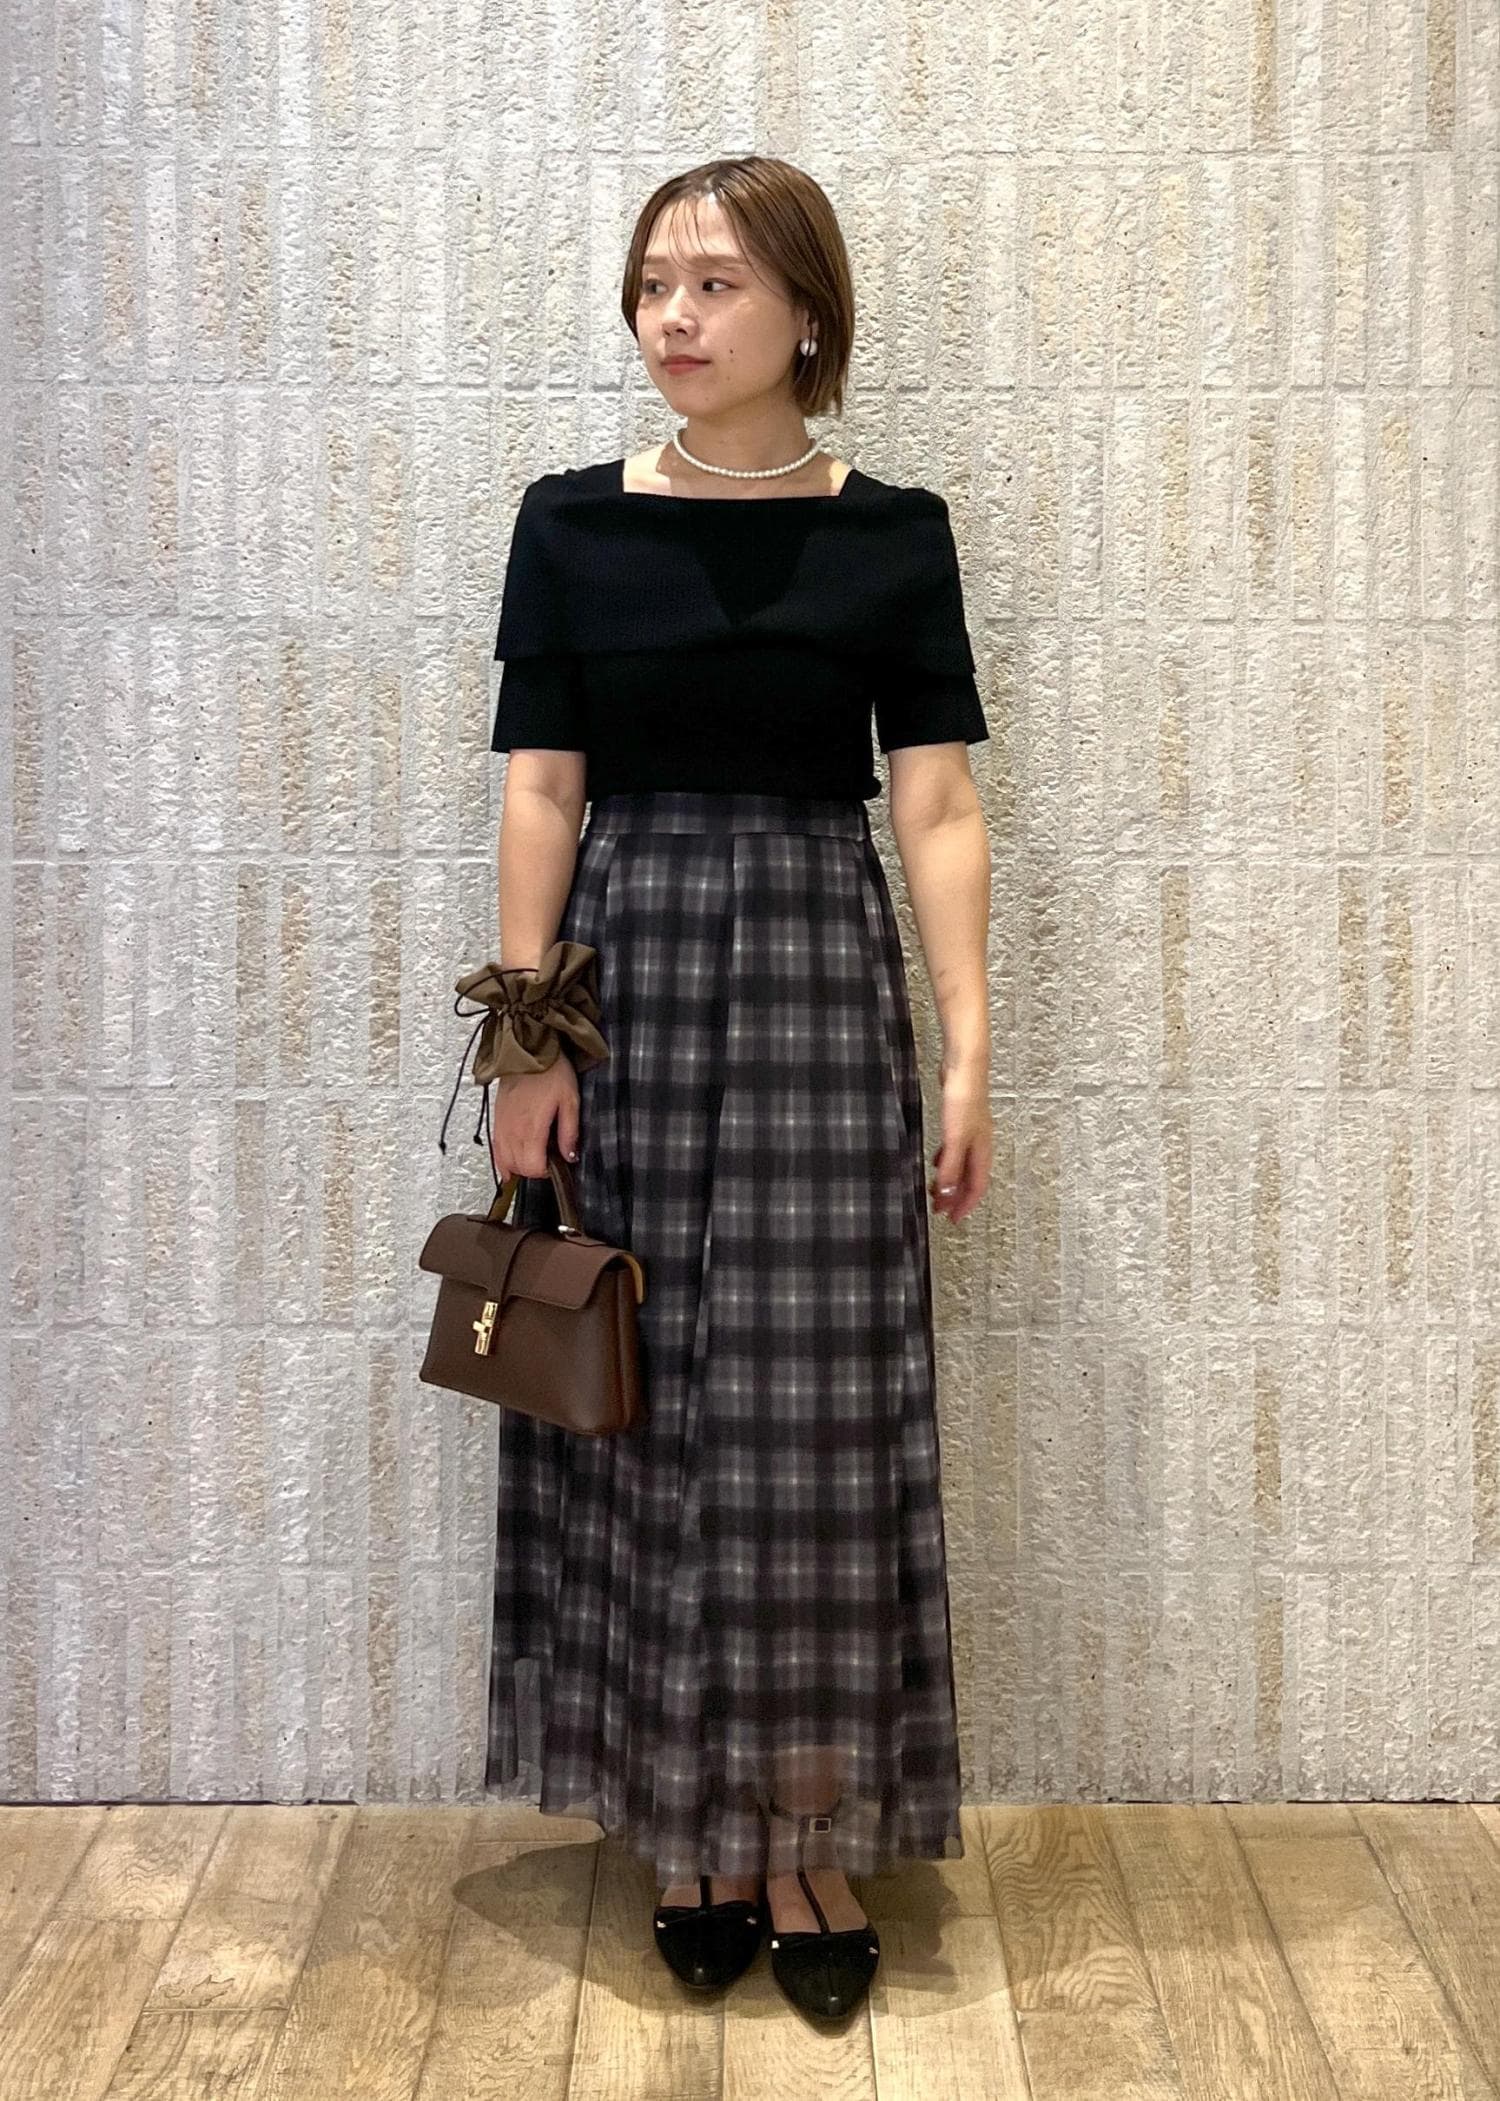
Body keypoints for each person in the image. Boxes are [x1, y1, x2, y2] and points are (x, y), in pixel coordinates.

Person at [481, 155, 992, 2021]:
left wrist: (971, 1042)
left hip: (815, 982)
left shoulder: (894, 534)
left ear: (807, 311)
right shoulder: (569, 521)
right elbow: (544, 788)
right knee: (637, 1390)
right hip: (623, 984)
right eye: (653, 283)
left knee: (815, 1416)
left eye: (714, 282)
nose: (673, 316)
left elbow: (935, 798)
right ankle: (678, 1823)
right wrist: (527, 1037)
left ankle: (801, 1825)